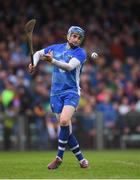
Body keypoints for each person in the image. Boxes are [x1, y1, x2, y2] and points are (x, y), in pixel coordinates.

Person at [28, 26, 89, 169]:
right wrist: (33, 63)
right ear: (68, 36)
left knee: (63, 120)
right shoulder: (56, 48)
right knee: (67, 129)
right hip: (55, 93)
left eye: (79, 37)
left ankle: (58, 158)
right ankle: (82, 160)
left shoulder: (81, 53)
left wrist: (52, 61)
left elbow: (69, 67)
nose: (76, 39)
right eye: (74, 36)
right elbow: (37, 53)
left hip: (71, 91)